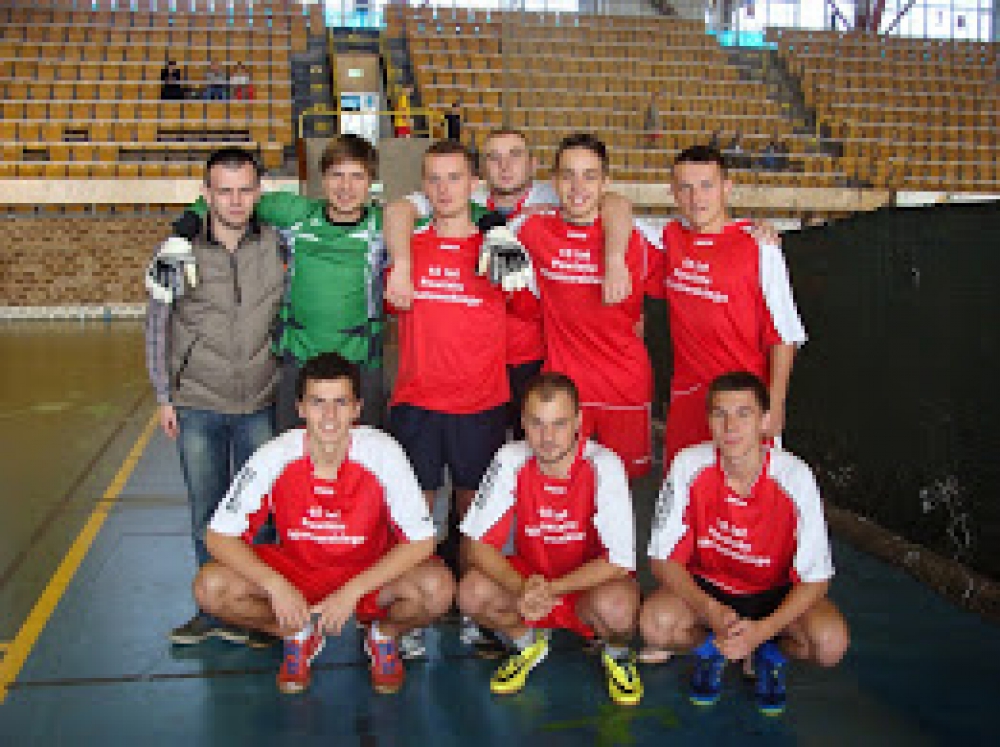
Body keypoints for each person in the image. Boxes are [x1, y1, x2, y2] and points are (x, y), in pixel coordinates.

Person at [193, 353, 452, 695]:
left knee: (437, 589)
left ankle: (382, 637)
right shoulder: (275, 455)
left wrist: (352, 591)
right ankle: (297, 634)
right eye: (318, 403)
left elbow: (421, 541)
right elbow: (218, 537)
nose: (329, 416)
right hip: (299, 573)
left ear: (357, 409)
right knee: (210, 587)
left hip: (367, 573)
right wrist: (275, 585)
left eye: (340, 403)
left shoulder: (383, 453)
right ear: (300, 408)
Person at [383, 128, 637, 440]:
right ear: (480, 172)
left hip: (529, 354)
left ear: (533, 164)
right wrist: (402, 265)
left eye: (515, 155)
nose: (504, 166)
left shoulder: (554, 196)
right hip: (469, 363)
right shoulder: (464, 194)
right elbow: (398, 209)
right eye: (494, 157)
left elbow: (614, 202)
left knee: (529, 446)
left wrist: (614, 259)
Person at [640, 372, 849, 715]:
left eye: (743, 413)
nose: (730, 426)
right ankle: (712, 649)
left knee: (829, 644)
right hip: (710, 591)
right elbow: (663, 561)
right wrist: (711, 610)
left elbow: (817, 580)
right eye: (720, 414)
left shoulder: (795, 476)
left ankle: (769, 652)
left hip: (774, 595)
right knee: (655, 625)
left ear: (764, 421)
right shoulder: (689, 465)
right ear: (708, 420)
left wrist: (763, 630)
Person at [144, 148, 286, 646]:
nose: (235, 201)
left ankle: (259, 608)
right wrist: (164, 395)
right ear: (206, 194)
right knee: (207, 511)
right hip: (197, 403)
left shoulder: (278, 244)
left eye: (245, 189)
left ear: (259, 192)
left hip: (261, 402)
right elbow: (157, 325)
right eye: (224, 191)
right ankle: (212, 609)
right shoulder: (177, 251)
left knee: (261, 514)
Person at [172, 134, 388, 432]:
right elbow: (228, 197)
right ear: (322, 178)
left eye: (357, 176)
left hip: (360, 365)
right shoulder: (294, 214)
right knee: (291, 455)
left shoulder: (384, 225)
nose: (346, 187)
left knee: (362, 454)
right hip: (299, 363)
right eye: (337, 175)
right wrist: (183, 232)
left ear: (371, 181)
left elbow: (435, 209)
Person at [458, 373, 642, 705]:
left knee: (619, 608)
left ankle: (616, 654)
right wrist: (521, 587)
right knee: (471, 593)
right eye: (537, 424)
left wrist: (550, 591)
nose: (547, 438)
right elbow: (477, 545)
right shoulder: (510, 458)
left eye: (559, 424)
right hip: (530, 582)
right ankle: (527, 644)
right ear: (522, 422)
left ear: (579, 422)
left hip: (585, 586)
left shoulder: (604, 465)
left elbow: (617, 562)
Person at [508, 133, 662, 480]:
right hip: (563, 387)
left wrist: (758, 233)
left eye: (590, 176)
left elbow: (700, 244)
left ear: (606, 183)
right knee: (562, 480)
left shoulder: (639, 239)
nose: (578, 187)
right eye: (568, 175)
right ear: (554, 181)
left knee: (619, 485)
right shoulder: (530, 230)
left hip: (623, 386)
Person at [649, 145, 806, 465]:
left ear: (727, 187)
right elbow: (609, 206)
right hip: (688, 403)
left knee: (746, 491)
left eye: (706, 186)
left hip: (742, 406)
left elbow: (785, 334)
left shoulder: (759, 245)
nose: (696, 198)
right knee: (687, 488)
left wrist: (775, 404)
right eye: (685, 188)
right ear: (672, 192)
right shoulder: (667, 237)